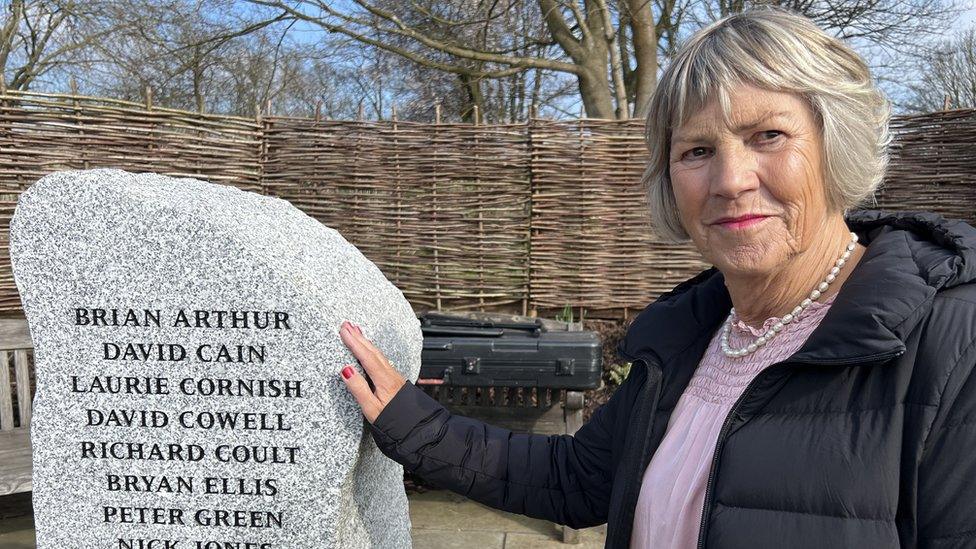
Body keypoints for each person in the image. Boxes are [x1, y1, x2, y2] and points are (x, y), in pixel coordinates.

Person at [337, 6, 976, 548]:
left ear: (836, 147)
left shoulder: (952, 341)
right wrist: (411, 421)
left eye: (768, 135)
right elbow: (577, 480)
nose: (730, 180)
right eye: (697, 150)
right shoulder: (686, 336)